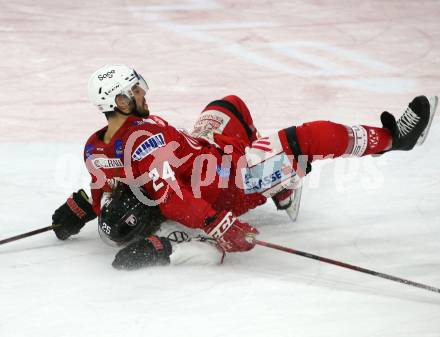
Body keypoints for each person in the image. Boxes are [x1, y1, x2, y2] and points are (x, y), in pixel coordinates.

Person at [51, 64, 437, 270]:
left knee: (228, 105)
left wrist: (80, 208)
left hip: (211, 150)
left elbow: (104, 189)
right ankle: (393, 140)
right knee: (301, 140)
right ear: (119, 100)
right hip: (233, 180)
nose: (143, 93)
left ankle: (283, 184)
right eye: (135, 91)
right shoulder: (146, 150)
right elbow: (174, 200)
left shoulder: (95, 146)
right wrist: (218, 227)